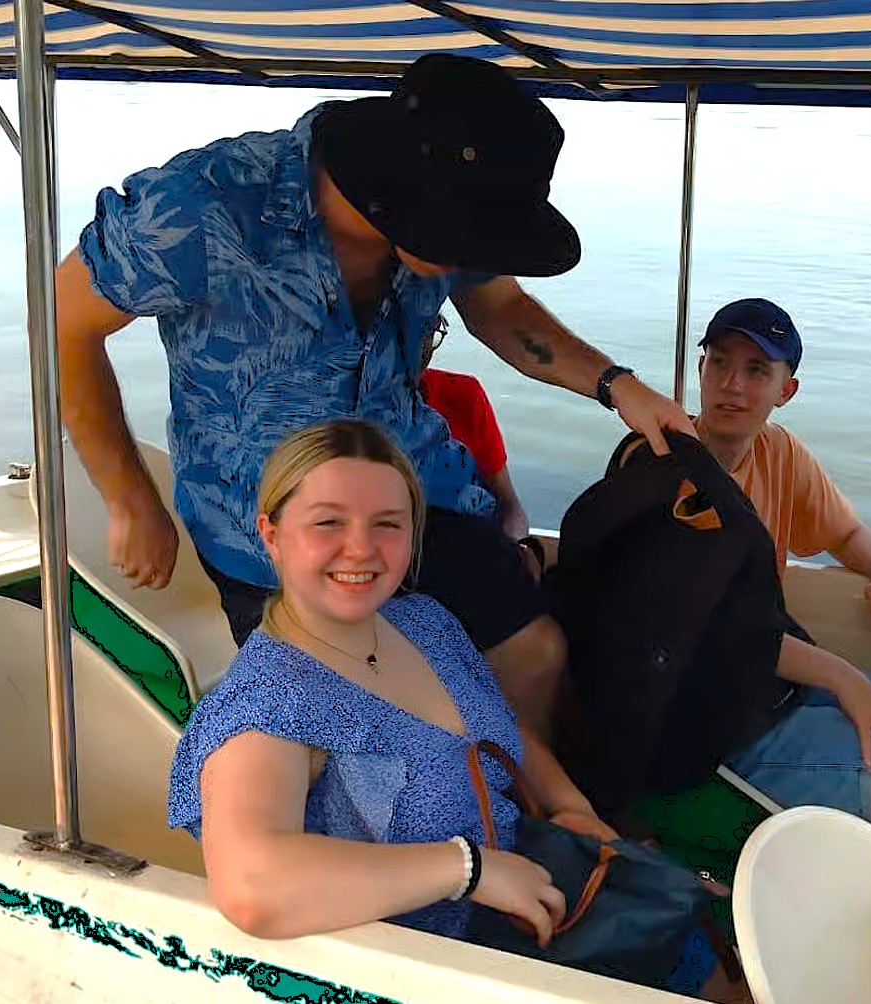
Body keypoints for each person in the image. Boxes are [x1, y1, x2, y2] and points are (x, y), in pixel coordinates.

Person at [54, 53, 691, 730]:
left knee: (534, 653)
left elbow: (500, 310)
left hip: (418, 495)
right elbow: (66, 325)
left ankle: (505, 817)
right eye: (462, 239)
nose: (467, 256)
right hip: (274, 526)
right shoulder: (198, 208)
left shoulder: (457, 206)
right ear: (393, 182)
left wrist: (617, 385)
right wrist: (129, 501)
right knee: (358, 723)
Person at [166, 419, 737, 999]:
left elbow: (496, 724)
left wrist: (571, 808)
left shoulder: (421, 621)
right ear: (272, 534)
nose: (361, 548)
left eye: (387, 524)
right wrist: (471, 872)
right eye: (329, 522)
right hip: (445, 970)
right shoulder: (270, 697)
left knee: (702, 940)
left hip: (541, 911)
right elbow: (253, 887)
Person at [688, 297, 871, 888]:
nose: (732, 386)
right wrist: (846, 679)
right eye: (719, 364)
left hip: (772, 684)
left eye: (756, 372)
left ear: (785, 391)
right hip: (707, 720)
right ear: (700, 371)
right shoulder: (670, 476)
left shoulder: (779, 453)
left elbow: (844, 532)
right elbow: (709, 632)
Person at [419, 316, 529, 540]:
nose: (422, 347)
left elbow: (510, 505)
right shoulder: (338, 410)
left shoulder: (463, 395)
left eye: (431, 331)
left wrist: (514, 552)